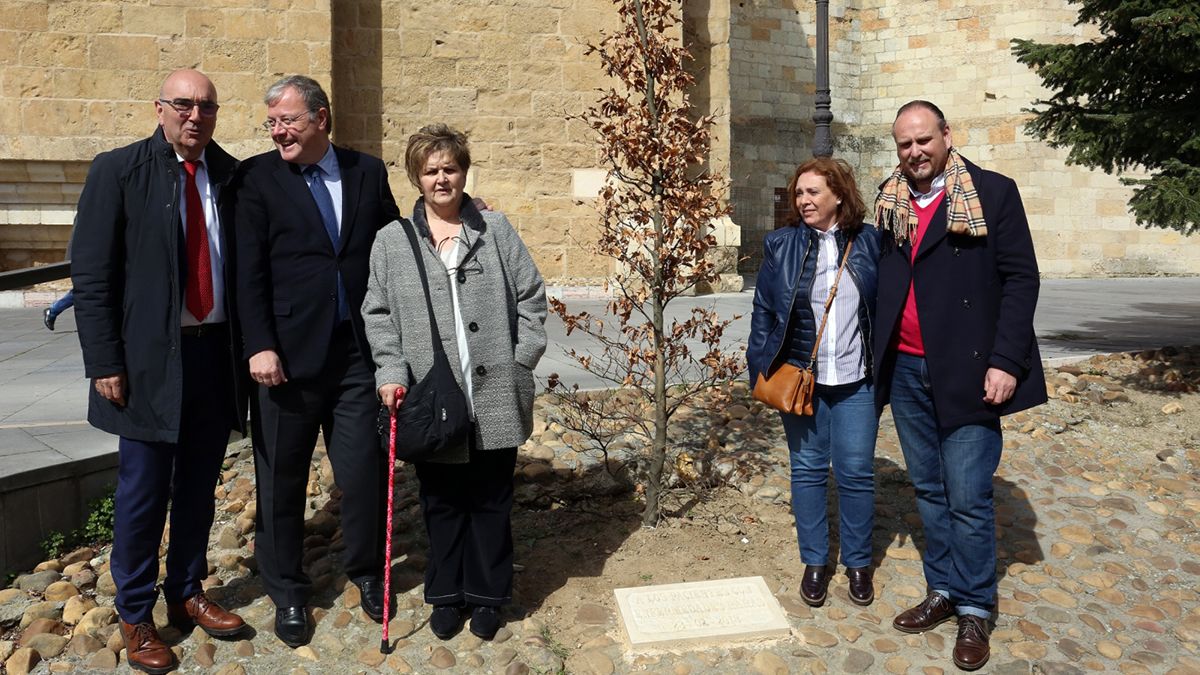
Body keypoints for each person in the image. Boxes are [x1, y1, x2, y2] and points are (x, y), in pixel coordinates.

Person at [71, 69, 247, 674]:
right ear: (160, 108)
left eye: (206, 106)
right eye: (183, 105)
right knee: (143, 492)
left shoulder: (231, 174)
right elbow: (92, 277)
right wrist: (103, 361)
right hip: (148, 361)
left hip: (213, 353)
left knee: (199, 485)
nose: (194, 116)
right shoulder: (118, 171)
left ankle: (188, 589)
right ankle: (136, 612)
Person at [873, 100, 1045, 671]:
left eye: (924, 139)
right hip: (906, 370)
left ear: (947, 135)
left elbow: (1021, 279)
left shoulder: (992, 193)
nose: (915, 152)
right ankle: (943, 588)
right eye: (905, 144)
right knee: (927, 487)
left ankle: (975, 606)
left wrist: (1005, 361)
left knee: (968, 493)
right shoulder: (889, 200)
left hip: (971, 369)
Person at [362, 124, 546, 641]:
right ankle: (446, 594)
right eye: (431, 170)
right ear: (416, 178)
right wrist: (391, 374)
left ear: (464, 172)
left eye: (450, 168)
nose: (442, 178)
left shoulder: (495, 229)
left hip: (494, 393)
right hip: (431, 396)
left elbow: (531, 295)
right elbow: (377, 314)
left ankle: (488, 595)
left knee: (491, 499)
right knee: (441, 502)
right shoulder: (392, 242)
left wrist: (520, 361)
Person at [234, 75, 401, 647]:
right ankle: (287, 591)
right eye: (272, 123)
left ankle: (367, 573)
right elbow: (247, 270)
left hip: (357, 354)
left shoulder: (367, 171)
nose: (279, 131)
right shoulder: (256, 178)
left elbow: (393, 246)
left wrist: (451, 217)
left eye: (289, 120)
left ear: (321, 119)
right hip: (284, 360)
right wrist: (259, 344)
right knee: (280, 479)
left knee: (363, 472)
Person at [747, 157, 881, 608]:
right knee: (806, 471)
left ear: (839, 196)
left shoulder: (870, 244)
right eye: (798, 193)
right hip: (802, 380)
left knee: (857, 473)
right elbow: (764, 309)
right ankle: (815, 561)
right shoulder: (781, 244)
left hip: (856, 380)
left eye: (813, 192)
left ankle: (859, 563)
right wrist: (760, 367)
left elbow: (885, 309)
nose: (803, 200)